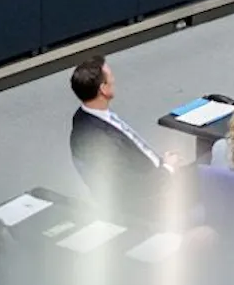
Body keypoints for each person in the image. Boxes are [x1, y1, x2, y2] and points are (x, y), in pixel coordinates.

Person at [69, 55, 178, 219]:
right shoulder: (99, 142)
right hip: (147, 202)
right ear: (103, 89)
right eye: (110, 76)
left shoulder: (85, 116)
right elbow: (131, 186)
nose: (114, 79)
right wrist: (167, 170)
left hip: (152, 173)